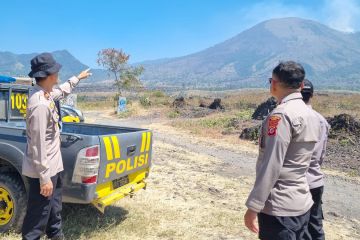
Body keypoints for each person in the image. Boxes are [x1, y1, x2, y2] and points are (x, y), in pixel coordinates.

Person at [244, 61, 321, 239]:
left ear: (274, 84)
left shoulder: (281, 115)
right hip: (302, 202)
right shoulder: (312, 115)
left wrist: (253, 206)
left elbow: (271, 164)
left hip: (279, 207)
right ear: (301, 85)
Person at [22, 52, 91, 240]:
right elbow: (38, 145)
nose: (58, 74)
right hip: (42, 173)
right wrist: (44, 178)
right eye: (56, 71)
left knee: (54, 213)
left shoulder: (46, 94)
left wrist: (78, 78)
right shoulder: (39, 104)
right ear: (50, 75)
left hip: (53, 167)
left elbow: (61, 91)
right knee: (37, 221)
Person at [301, 79, 330, 240]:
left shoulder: (292, 117)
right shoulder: (321, 120)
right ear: (312, 95)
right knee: (315, 225)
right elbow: (321, 155)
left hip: (297, 182)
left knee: (296, 226)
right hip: (315, 180)